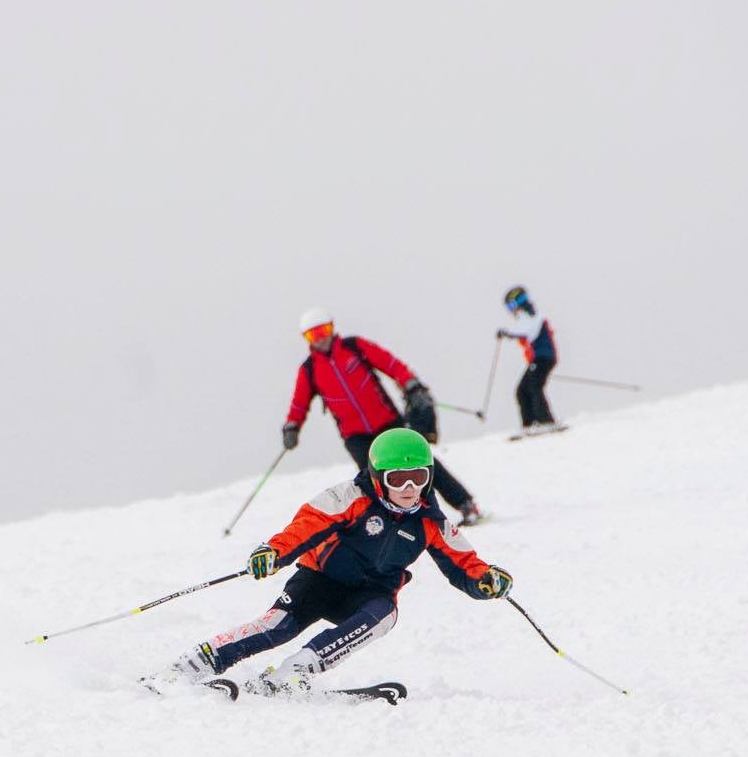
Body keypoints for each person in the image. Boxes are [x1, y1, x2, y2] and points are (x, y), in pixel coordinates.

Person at [158, 427, 513, 694]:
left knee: (385, 615)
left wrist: (486, 579)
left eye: (418, 477)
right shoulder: (350, 497)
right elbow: (306, 525)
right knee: (278, 626)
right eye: (397, 478)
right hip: (321, 580)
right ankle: (195, 663)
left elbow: (465, 561)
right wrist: (275, 552)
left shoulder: (430, 521)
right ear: (378, 478)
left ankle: (295, 672)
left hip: (369, 595)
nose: (408, 487)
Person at [281, 306, 488, 525]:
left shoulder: (354, 347)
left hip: (387, 422)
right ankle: (402, 524)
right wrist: (291, 427)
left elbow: (390, 363)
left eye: (324, 330)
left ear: (332, 328)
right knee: (374, 481)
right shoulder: (310, 369)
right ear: (307, 339)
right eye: (314, 334)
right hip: (356, 436)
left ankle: (465, 504)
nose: (321, 338)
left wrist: (411, 384)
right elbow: (299, 403)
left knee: (419, 463)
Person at [497, 285, 562, 433]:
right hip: (540, 359)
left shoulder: (531, 315)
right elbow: (524, 330)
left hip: (542, 358)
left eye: (512, 305)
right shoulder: (527, 316)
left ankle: (545, 421)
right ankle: (530, 424)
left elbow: (526, 330)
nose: (511, 310)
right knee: (522, 390)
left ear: (519, 302)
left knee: (533, 387)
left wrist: (507, 333)